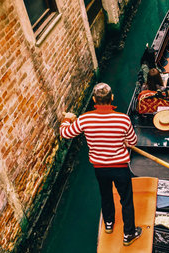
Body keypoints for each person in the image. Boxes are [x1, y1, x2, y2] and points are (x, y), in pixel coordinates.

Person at [60, 83, 142, 246]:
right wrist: (123, 141)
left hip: (100, 168)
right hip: (120, 167)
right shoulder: (123, 119)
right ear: (112, 98)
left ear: (94, 99)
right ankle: (129, 234)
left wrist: (67, 119)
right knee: (126, 200)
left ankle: (109, 224)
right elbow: (133, 141)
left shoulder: (84, 119)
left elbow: (65, 133)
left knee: (106, 195)